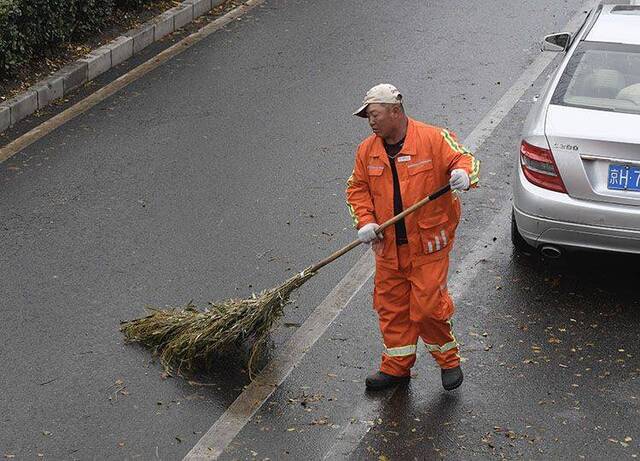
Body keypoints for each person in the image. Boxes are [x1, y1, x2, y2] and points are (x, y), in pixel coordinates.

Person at [346, 83, 479, 391]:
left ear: (395, 111)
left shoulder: (432, 139)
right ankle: (396, 367)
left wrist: (463, 176)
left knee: (428, 307)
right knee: (392, 309)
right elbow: (357, 189)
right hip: (388, 248)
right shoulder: (367, 151)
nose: (371, 121)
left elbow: (464, 160)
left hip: (428, 246)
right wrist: (365, 221)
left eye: (375, 114)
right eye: (367, 116)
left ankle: (449, 361)